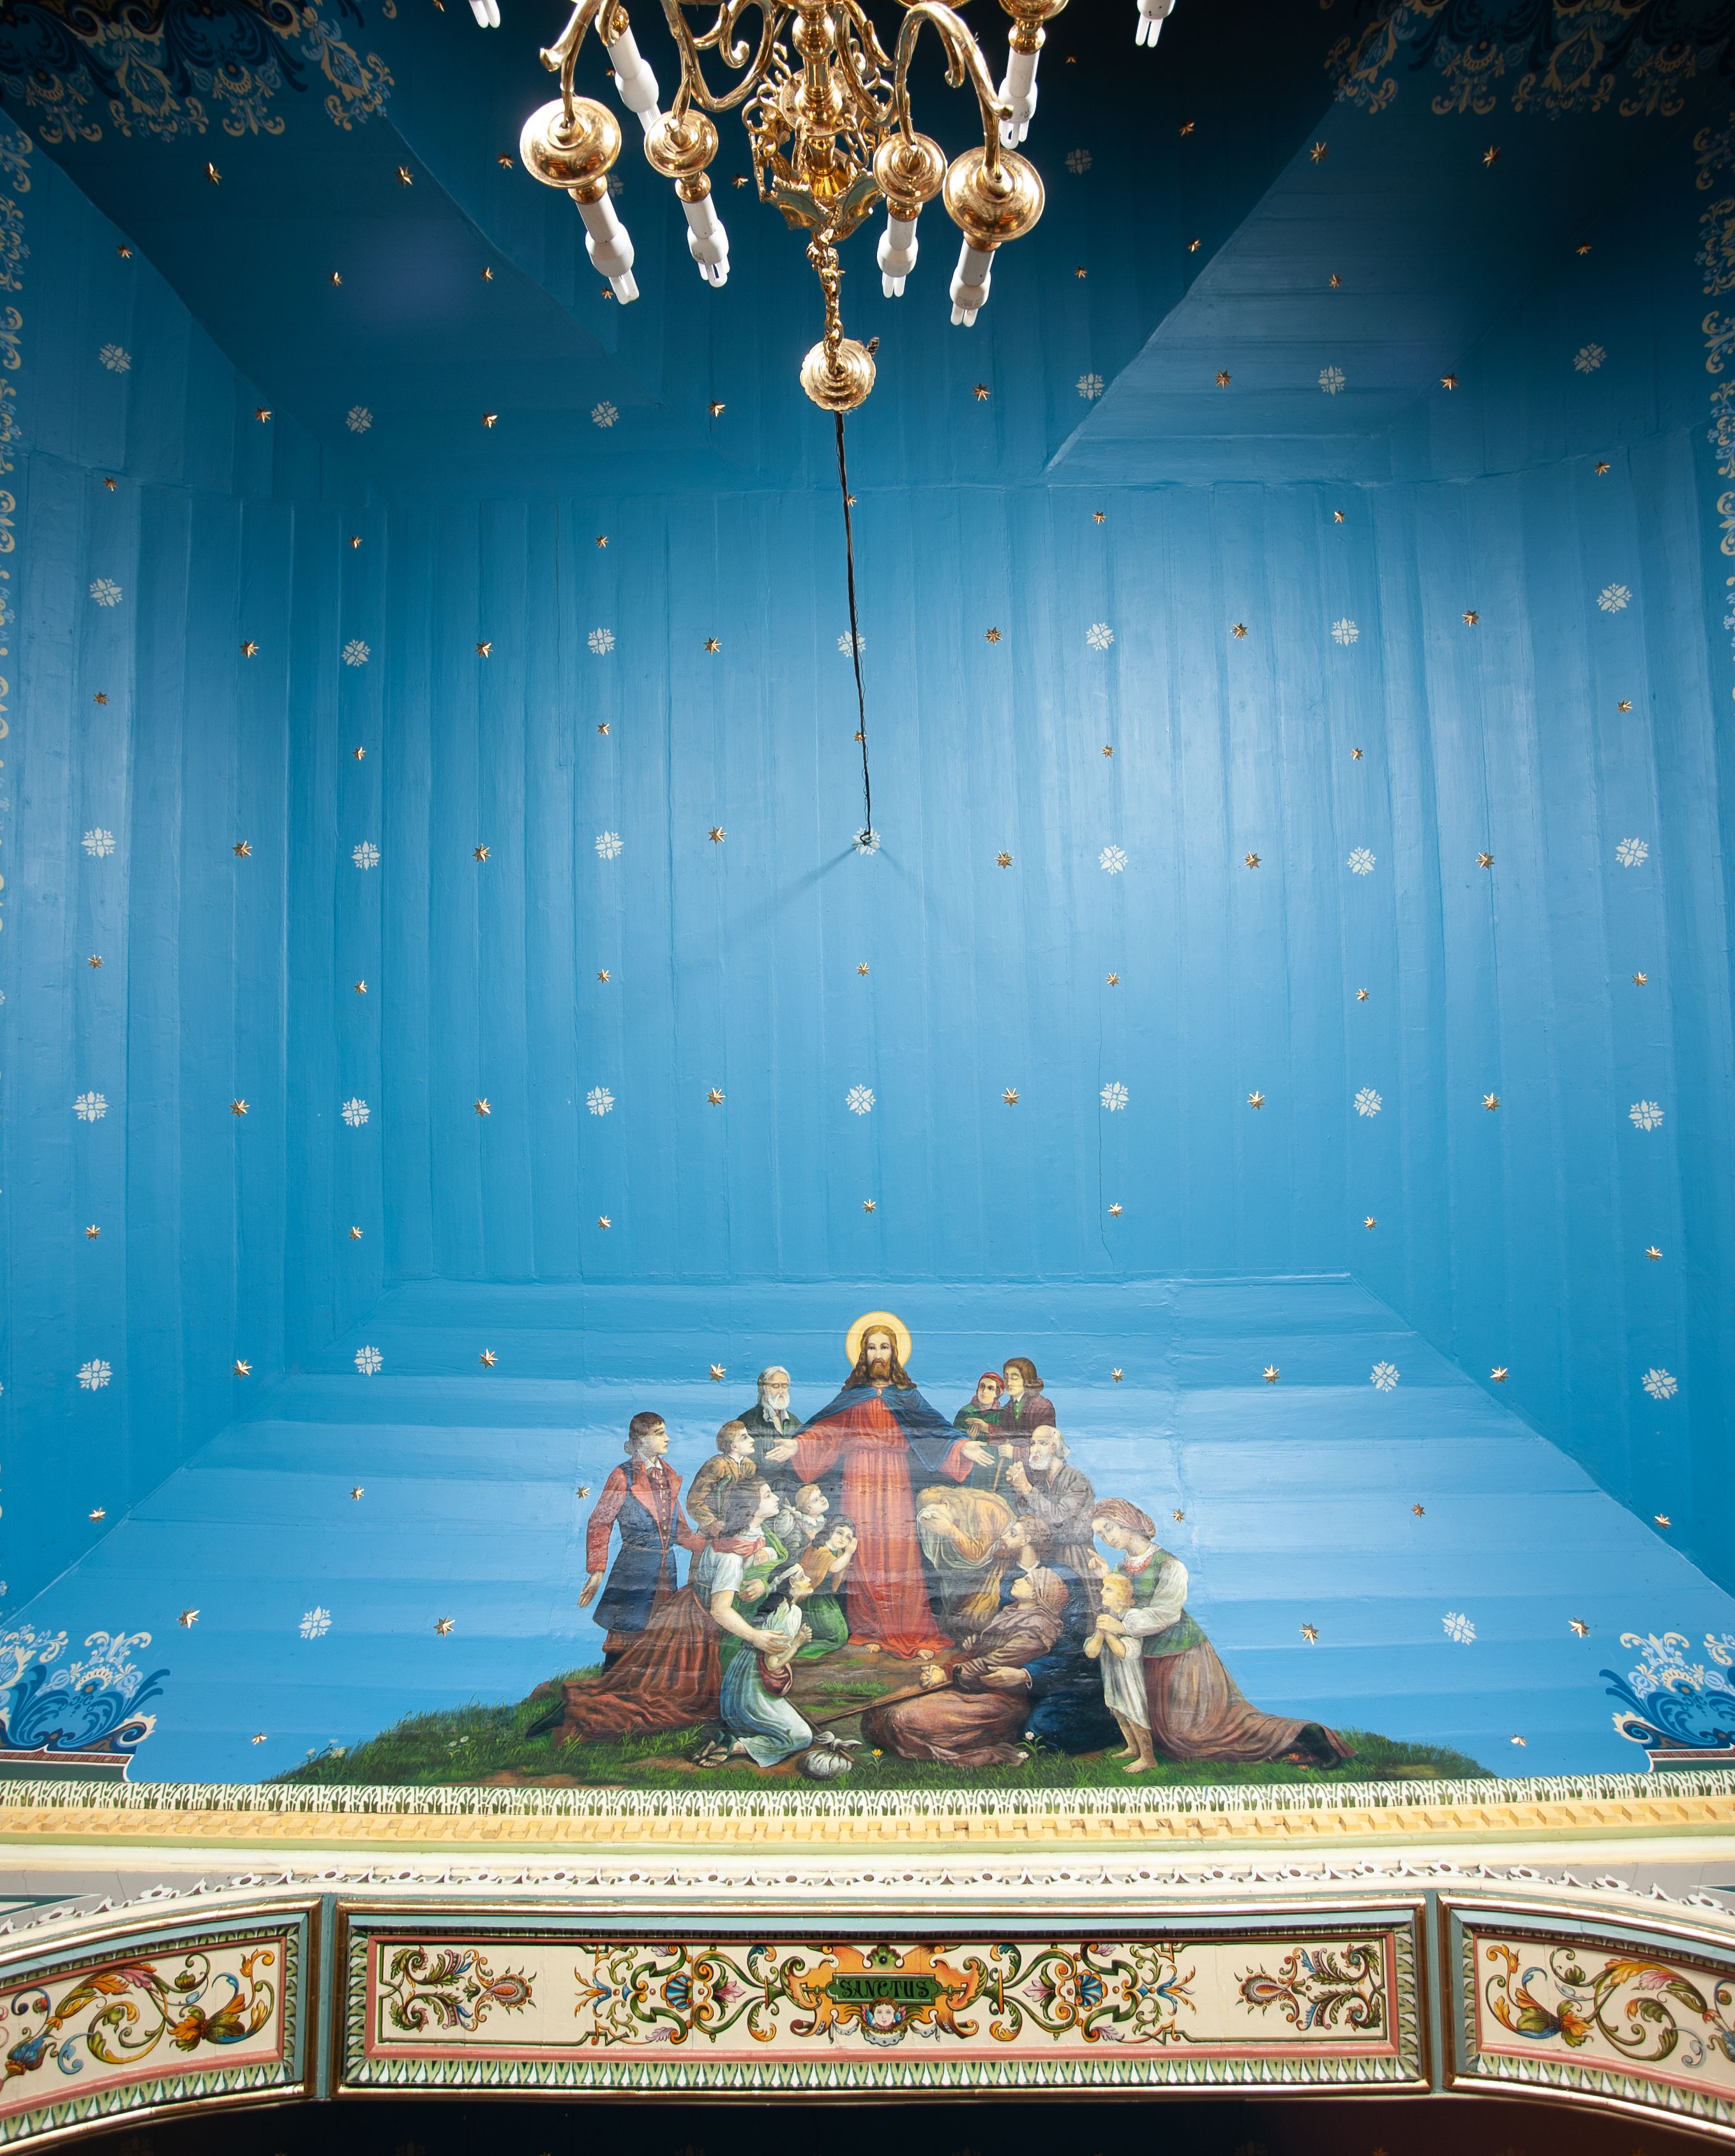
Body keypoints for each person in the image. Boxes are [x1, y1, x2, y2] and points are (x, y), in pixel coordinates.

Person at [765, 1313, 994, 1658]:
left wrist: (963, 1446)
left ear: (894, 1352)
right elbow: (825, 1431)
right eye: (871, 1348)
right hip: (858, 1479)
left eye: (884, 1347)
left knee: (899, 1550)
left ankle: (907, 1628)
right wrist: (798, 1446)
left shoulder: (907, 1396)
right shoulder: (852, 1396)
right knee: (864, 1550)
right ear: (863, 1353)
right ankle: (867, 1628)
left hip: (895, 1479)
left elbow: (934, 1428)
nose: (878, 1354)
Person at [1090, 1499, 1352, 1767]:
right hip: (1151, 1659)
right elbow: (1122, 1601)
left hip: (1184, 1657)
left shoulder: (1169, 1564)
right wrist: (1106, 1576)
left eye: (1109, 1528)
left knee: (1209, 1731)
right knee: (1174, 1741)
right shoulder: (1121, 1569)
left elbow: (1166, 1613)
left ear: (1128, 1522)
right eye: (1100, 1534)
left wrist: (1123, 1627)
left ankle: (1307, 1735)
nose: (1106, 1538)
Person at [552, 1476, 786, 1742]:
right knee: (674, 1702)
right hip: (696, 1624)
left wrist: (764, 1573)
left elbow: (760, 1564)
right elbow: (720, 1611)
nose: (776, 1498)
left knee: (649, 1686)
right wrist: (756, 1637)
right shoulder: (731, 1554)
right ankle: (584, 1712)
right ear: (751, 1507)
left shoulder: (747, 1540)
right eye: (768, 1495)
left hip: (688, 1610)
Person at [862, 1564, 1069, 1768]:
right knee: (877, 1712)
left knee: (900, 1720)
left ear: (1037, 1595)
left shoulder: (1036, 1630)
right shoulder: (1010, 1613)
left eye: (1027, 1581)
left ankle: (987, 1753)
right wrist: (942, 1670)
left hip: (998, 1700)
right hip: (966, 1685)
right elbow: (972, 1653)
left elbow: (990, 1664)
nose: (1018, 1579)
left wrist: (947, 1675)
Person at [577, 1412, 700, 1664]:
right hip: (634, 1570)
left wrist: (716, 1545)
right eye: (660, 1434)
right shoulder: (623, 1476)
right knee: (625, 1635)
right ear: (642, 1440)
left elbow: (680, 1531)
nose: (668, 1438)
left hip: (666, 1571)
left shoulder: (668, 1476)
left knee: (660, 1638)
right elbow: (601, 1522)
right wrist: (597, 1571)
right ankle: (613, 1683)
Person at [697, 1559, 816, 1769]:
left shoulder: (771, 1606)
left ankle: (725, 1736)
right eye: (803, 1577)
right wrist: (797, 1643)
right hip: (752, 1692)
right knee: (802, 1736)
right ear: (792, 1582)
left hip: (735, 1686)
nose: (808, 1580)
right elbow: (772, 1665)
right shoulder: (791, 1613)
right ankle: (738, 1746)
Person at [1006, 1426, 1100, 1608]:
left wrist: (1027, 1489)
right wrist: (1019, 1490)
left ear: (1054, 1447)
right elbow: (1030, 1520)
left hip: (1074, 1557)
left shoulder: (1077, 1480)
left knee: (1076, 1610)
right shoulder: (1040, 1482)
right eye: (1033, 1443)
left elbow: (1059, 1517)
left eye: (1042, 1443)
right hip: (1047, 1556)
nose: (1035, 1449)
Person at [914, 1485, 1015, 1638]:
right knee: (951, 1614)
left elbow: (977, 1554)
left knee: (974, 1616)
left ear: (946, 1503)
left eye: (934, 1514)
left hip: (994, 1565)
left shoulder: (982, 1508)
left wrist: (950, 1530)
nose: (933, 1521)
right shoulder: (956, 1513)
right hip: (969, 1572)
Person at [1085, 1571, 1157, 1773]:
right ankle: (1133, 1748)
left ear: (1122, 1595)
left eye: (1108, 1589)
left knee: (1134, 1713)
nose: (1102, 1592)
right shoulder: (1108, 1617)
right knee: (1119, 1711)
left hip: (1129, 1677)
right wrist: (1100, 1634)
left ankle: (1148, 1758)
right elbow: (1091, 1652)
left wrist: (1108, 1633)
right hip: (1112, 1674)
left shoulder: (1131, 1617)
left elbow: (1123, 1652)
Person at [734, 1366, 806, 1495]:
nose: (781, 1391)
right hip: (760, 1493)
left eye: (785, 1386)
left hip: (792, 1492)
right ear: (764, 1388)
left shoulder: (794, 1422)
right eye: (775, 1386)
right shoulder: (748, 1421)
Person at [795, 1516, 856, 1658]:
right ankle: (797, 1651)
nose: (843, 1539)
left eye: (848, 1537)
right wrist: (849, 1553)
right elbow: (835, 1567)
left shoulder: (838, 1552)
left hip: (825, 1598)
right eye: (839, 1533)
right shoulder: (820, 1549)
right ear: (830, 1531)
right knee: (836, 1636)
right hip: (810, 1599)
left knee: (841, 1634)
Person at [687, 1420, 758, 1539]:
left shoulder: (750, 1466)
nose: (752, 1440)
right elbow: (694, 1500)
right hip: (713, 1532)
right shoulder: (717, 1465)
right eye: (744, 1437)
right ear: (733, 1446)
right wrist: (711, 1523)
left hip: (740, 1529)